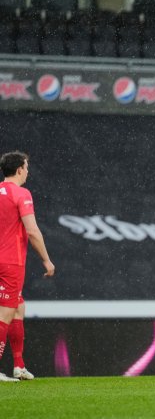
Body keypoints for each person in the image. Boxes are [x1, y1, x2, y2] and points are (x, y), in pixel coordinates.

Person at [0, 151, 55, 382]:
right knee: (6, 312)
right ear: (20, 169)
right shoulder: (21, 193)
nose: (28, 172)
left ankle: (19, 366)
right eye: (27, 167)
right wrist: (46, 259)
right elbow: (32, 230)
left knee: (18, 307)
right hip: (11, 261)